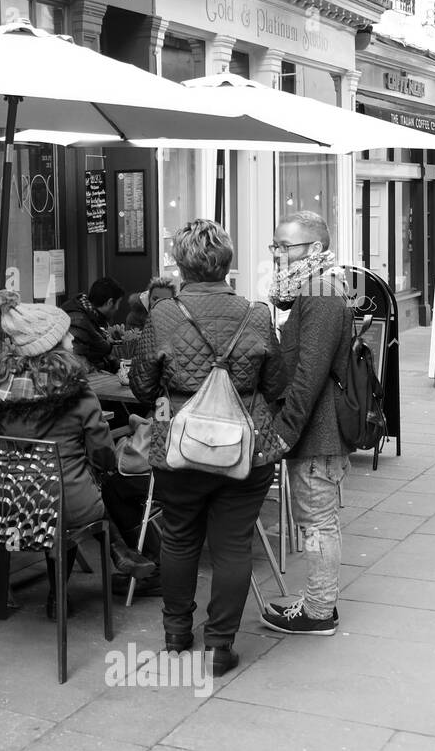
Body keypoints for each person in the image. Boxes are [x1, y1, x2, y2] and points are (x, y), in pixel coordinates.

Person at [130, 220, 288, 674]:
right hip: (245, 447)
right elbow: (275, 384)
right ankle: (219, 646)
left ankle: (177, 633)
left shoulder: (163, 315)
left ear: (180, 265)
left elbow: (143, 387)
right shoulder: (257, 314)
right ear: (228, 263)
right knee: (234, 545)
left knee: (178, 538)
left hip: (179, 446)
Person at [0, 290, 156, 619]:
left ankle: (115, 547)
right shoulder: (77, 389)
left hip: (2, 504)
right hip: (64, 504)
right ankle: (73, 583)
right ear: (49, 344)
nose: (72, 337)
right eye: (65, 333)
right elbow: (103, 454)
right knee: (78, 488)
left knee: (57, 487)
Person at [262, 210, 354, 635]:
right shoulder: (310, 290)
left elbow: (309, 375)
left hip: (317, 433)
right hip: (315, 431)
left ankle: (319, 612)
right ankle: (317, 604)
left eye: (286, 246)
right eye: (275, 245)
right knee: (316, 522)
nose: (278, 254)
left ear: (314, 249)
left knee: (317, 523)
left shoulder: (319, 294)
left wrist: (284, 432)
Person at [62, 277, 124, 373]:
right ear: (110, 302)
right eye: (118, 303)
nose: (117, 308)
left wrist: (121, 366)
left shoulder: (91, 316)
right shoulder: (78, 320)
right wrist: (100, 373)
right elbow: (75, 361)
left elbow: (98, 352)